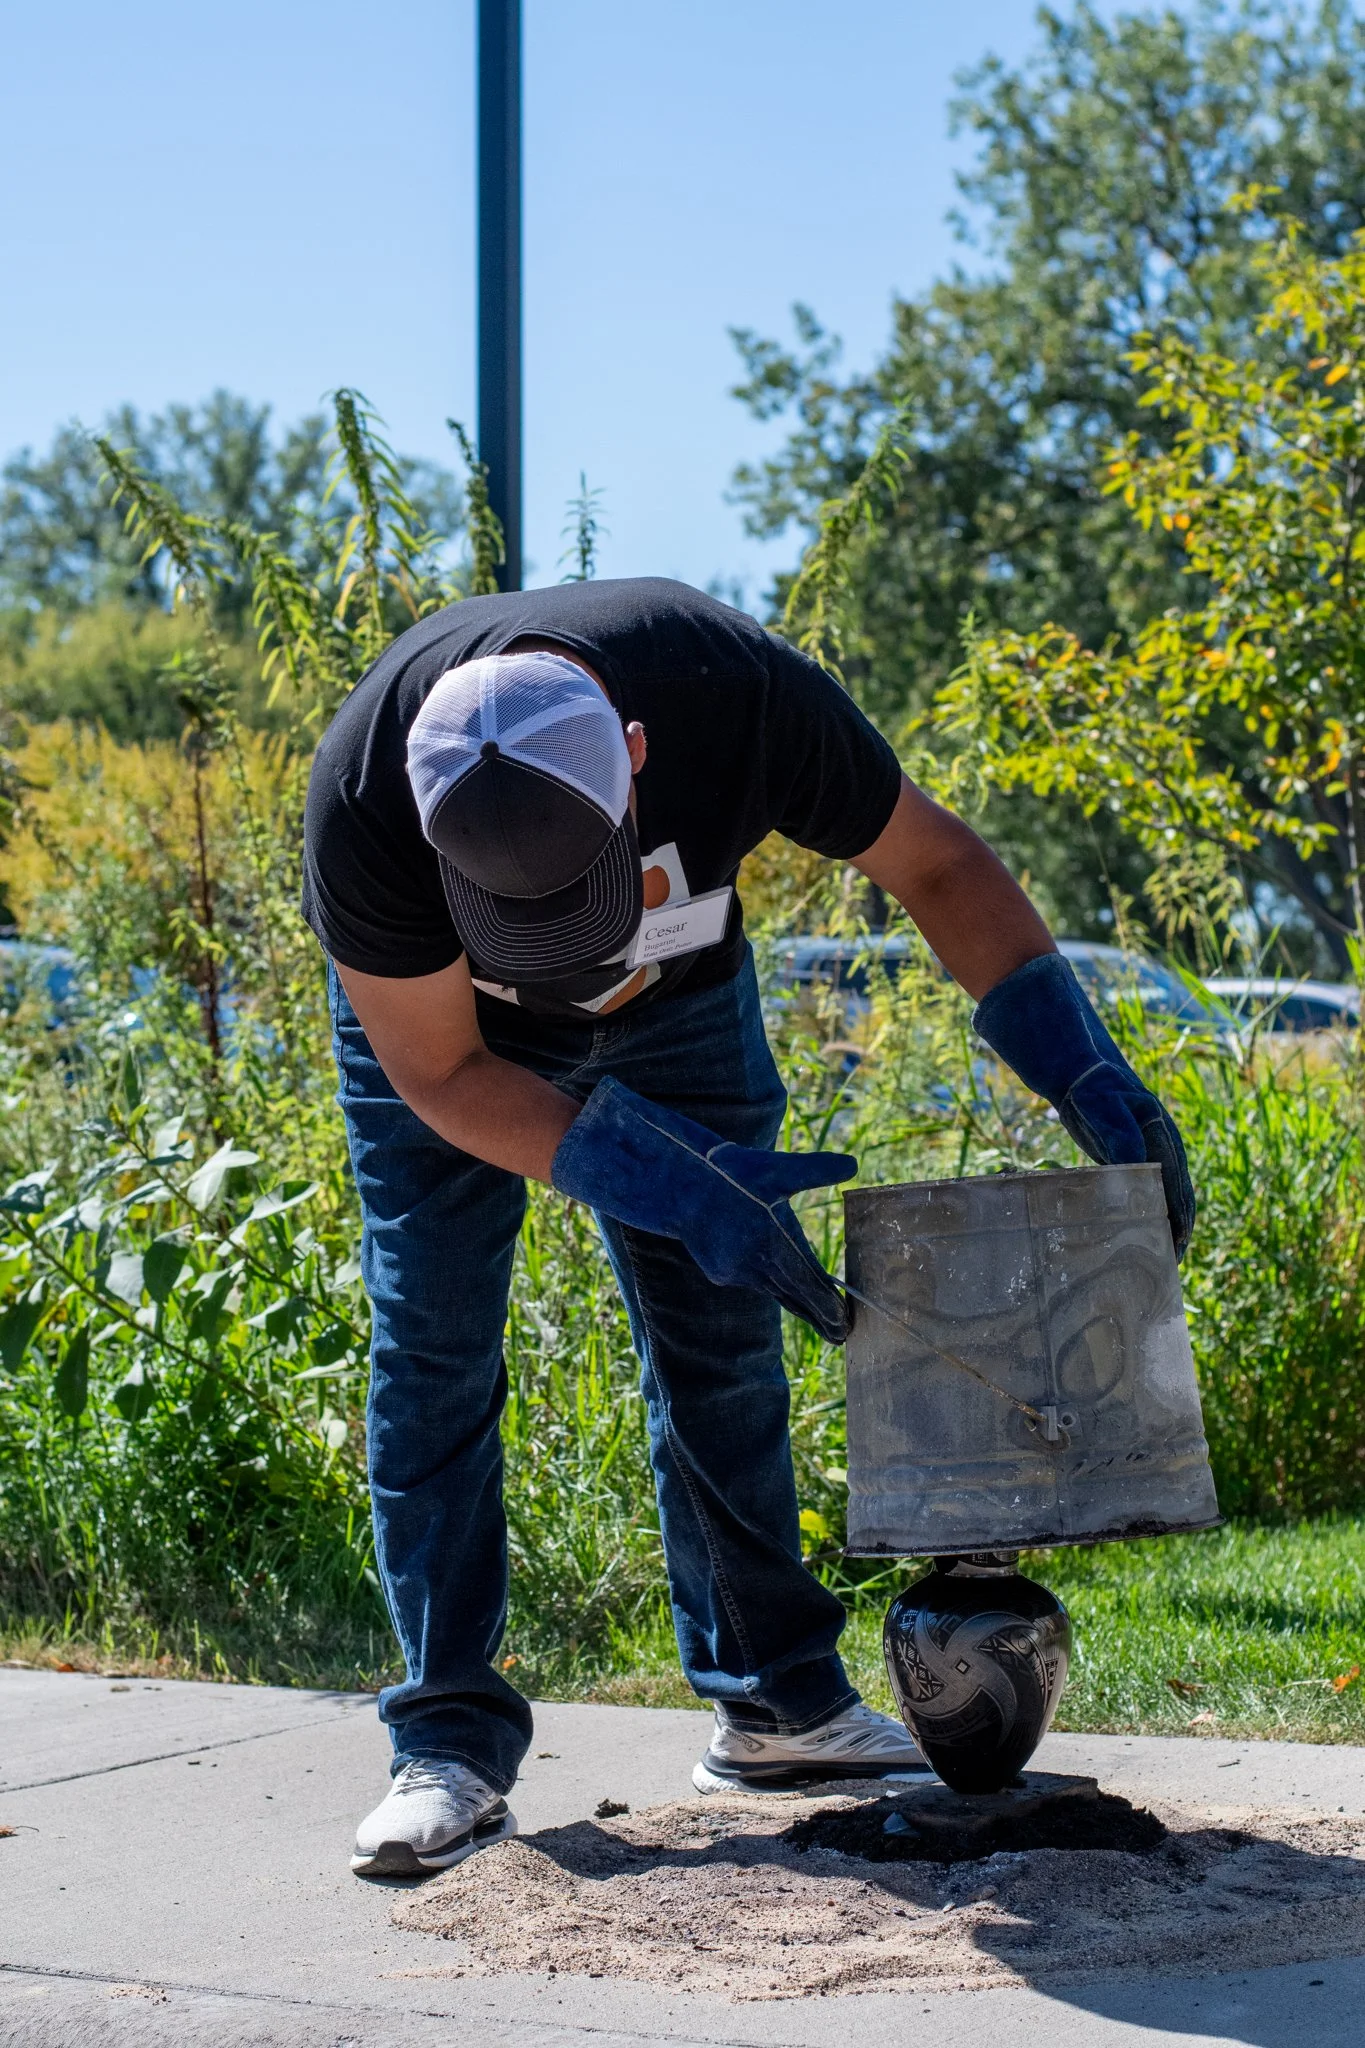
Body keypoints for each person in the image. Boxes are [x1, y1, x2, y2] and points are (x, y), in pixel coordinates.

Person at [302, 577, 1194, 1879]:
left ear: (640, 758)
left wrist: (1083, 1068)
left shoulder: (740, 694)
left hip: (679, 1003)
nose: (559, 946)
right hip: (453, 1041)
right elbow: (440, 1076)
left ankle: (776, 1701)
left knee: (722, 1339)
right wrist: (656, 1177)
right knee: (432, 1339)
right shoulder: (367, 797)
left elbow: (938, 865)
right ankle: (445, 1739)